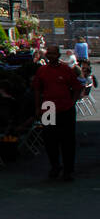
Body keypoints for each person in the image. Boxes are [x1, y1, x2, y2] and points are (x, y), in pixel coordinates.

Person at [33, 45, 83, 181]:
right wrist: (37, 108)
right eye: (49, 54)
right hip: (48, 108)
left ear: (58, 55)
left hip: (65, 108)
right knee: (50, 140)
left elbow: (78, 87)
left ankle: (68, 170)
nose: (51, 56)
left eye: (54, 54)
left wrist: (72, 102)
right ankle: (55, 166)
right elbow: (37, 90)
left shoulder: (66, 70)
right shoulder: (42, 70)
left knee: (67, 141)